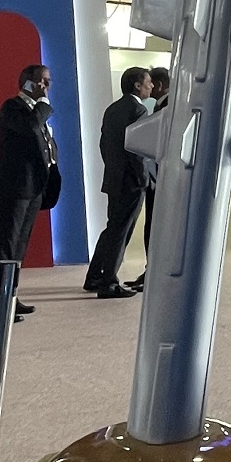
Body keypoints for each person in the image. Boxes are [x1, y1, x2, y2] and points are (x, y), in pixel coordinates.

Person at [0, 65, 60, 322]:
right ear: (28, 83)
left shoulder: (35, 111)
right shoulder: (12, 108)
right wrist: (43, 104)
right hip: (13, 189)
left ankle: (10, 297)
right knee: (4, 249)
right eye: (42, 81)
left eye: (48, 81)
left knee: (18, 249)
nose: (47, 86)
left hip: (33, 190)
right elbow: (30, 127)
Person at [83, 67, 153, 298]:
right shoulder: (138, 110)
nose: (151, 86)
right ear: (137, 85)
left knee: (112, 228)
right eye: (148, 82)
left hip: (114, 178)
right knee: (121, 232)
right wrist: (143, 179)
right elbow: (137, 149)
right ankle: (109, 283)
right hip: (131, 181)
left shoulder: (112, 109)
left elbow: (104, 145)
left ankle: (94, 276)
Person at [129, 66, 170, 292]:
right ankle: (150, 270)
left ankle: (155, 273)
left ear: (160, 85)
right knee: (152, 225)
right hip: (156, 176)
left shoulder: (169, 106)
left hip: (162, 177)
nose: (151, 87)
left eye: (153, 84)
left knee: (157, 226)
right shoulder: (161, 105)